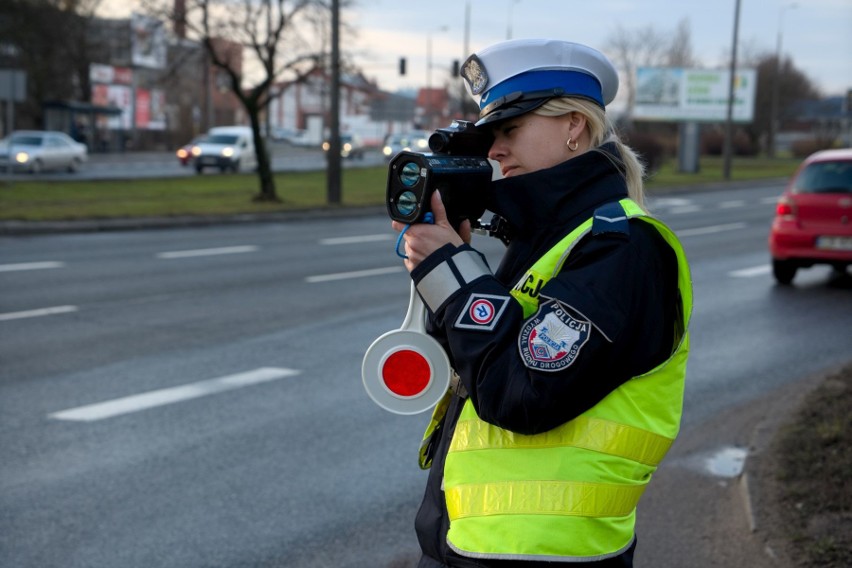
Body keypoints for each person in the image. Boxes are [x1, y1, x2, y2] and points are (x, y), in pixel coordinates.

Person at [391, 38, 693, 567]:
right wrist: (452, 261)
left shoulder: (622, 247)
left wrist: (454, 272)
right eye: (490, 136)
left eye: (509, 130)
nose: (495, 151)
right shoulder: (546, 241)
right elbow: (473, 366)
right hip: (475, 545)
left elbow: (522, 394)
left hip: (546, 554)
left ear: (573, 124)